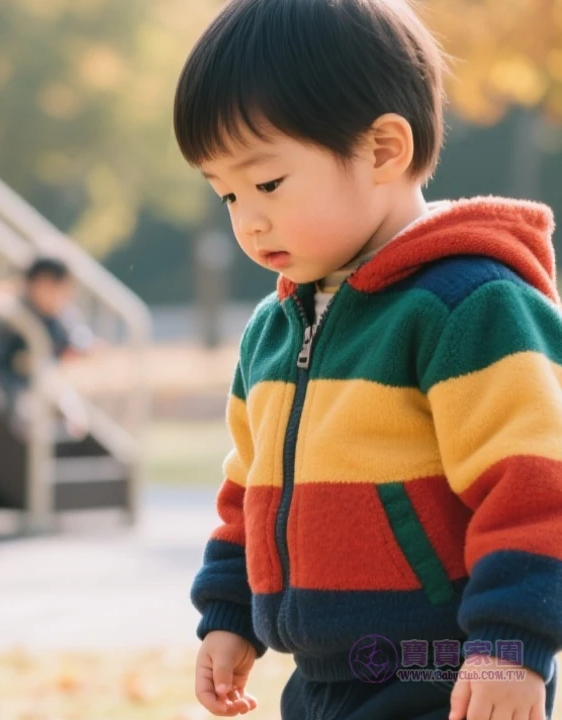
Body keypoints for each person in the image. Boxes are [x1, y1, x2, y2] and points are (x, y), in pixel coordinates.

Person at [175, 1, 562, 718]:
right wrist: (228, 613)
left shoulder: (467, 305)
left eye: (267, 184)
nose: (248, 220)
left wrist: (513, 645)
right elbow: (249, 492)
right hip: (323, 676)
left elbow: (536, 487)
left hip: (446, 669)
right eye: (226, 193)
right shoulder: (273, 331)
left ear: (383, 149)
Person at [0, 257, 90, 437]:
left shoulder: (58, 320)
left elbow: (77, 340)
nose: (63, 297)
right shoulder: (15, 310)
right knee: (27, 409)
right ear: (39, 284)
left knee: (57, 393)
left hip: (27, 385)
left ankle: (70, 414)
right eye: (56, 288)